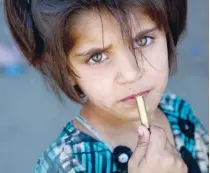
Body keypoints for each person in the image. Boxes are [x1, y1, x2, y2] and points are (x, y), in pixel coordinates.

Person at [4, 0, 208, 173]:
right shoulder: (66, 164)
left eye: (143, 40)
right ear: (65, 69)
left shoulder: (177, 112)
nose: (131, 74)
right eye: (97, 56)